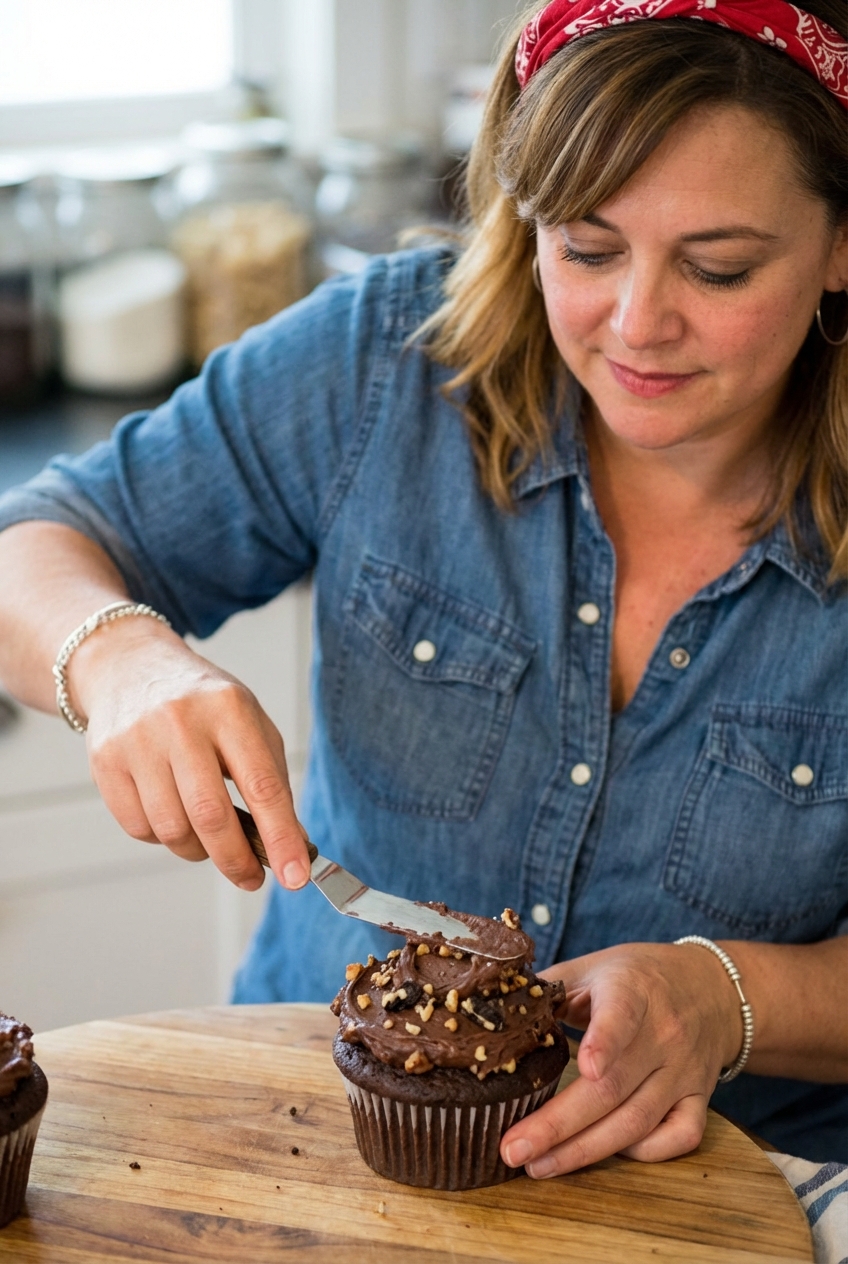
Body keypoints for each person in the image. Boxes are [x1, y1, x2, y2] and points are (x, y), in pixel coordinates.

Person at [0, 0, 845, 1173]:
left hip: (722, 1189)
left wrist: (725, 996)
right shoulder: (385, 364)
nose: (638, 323)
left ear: (839, 241)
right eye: (586, 249)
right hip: (305, 1129)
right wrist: (119, 654)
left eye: (719, 266)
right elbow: (35, 543)